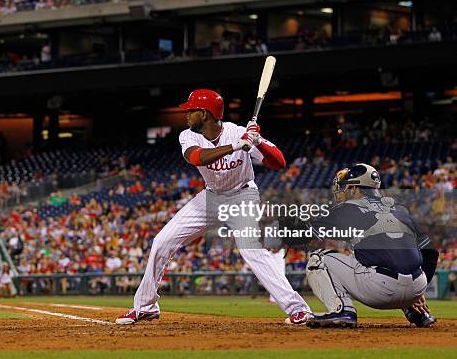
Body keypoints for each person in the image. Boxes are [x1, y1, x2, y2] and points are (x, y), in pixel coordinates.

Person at [116, 89, 311, 325]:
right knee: (162, 241)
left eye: (191, 111)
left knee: (251, 249)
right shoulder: (188, 136)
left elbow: (279, 163)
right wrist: (236, 147)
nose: (187, 115)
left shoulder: (239, 132)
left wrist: (258, 141)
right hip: (210, 197)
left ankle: (298, 308)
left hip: (242, 195)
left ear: (205, 114)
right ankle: (146, 306)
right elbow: (196, 158)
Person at [304, 164, 438, 328]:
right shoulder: (400, 209)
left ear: (354, 188)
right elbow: (431, 253)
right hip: (417, 286)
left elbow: (306, 234)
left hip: (379, 290)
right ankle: (417, 312)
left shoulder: (346, 209)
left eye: (345, 187)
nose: (342, 191)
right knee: (388, 255)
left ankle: (342, 311)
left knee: (318, 259)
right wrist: (418, 293)